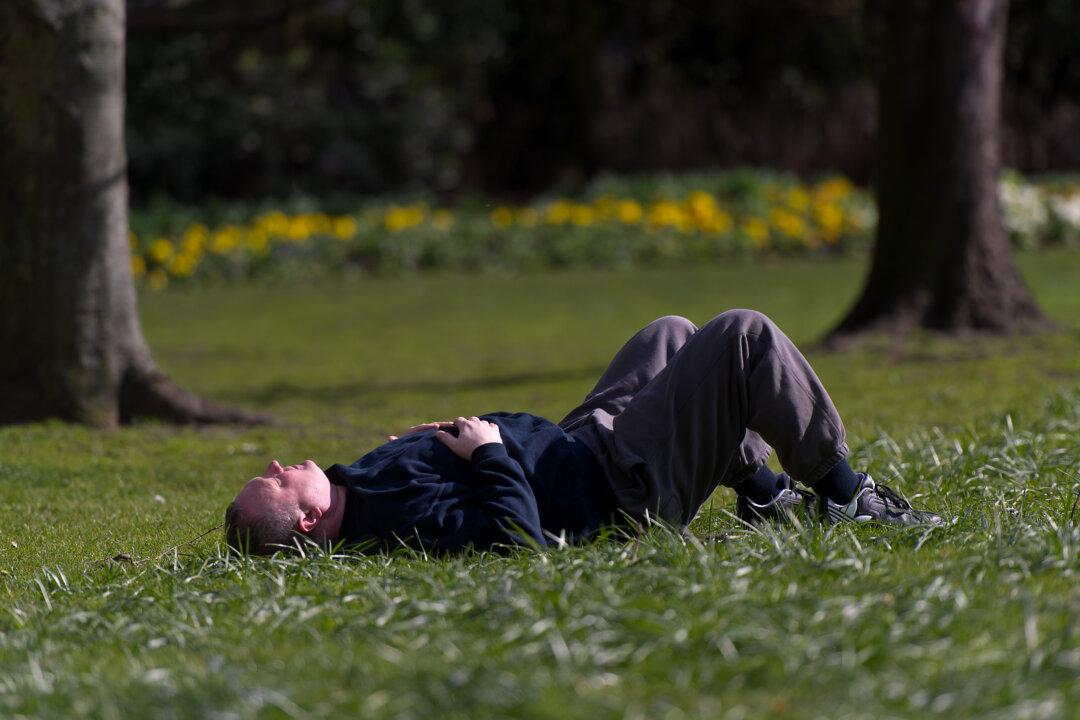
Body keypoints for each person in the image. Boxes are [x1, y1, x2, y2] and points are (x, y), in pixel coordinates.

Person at [225, 310, 941, 555]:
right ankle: (847, 496)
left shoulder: (359, 485)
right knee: (740, 337)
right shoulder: (401, 520)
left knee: (668, 334)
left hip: (580, 444)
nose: (280, 460)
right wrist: (491, 452)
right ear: (311, 519)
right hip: (621, 489)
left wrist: (433, 441)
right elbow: (518, 538)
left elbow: (450, 463)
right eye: (280, 479)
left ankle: (762, 495)